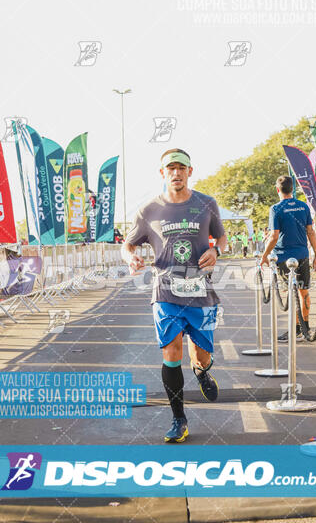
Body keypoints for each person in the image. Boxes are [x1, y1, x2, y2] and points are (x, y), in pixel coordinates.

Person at [122, 148, 227, 443]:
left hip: (200, 289)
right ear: (162, 173)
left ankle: (202, 369)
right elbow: (127, 245)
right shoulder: (148, 210)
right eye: (171, 168)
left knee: (201, 352)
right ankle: (178, 419)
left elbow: (222, 236)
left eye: (182, 168)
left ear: (190, 172)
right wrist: (130, 258)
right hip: (165, 290)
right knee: (171, 352)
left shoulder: (207, 204)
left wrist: (215, 249)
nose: (176, 173)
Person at [260, 175, 316, 342]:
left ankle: (297, 329)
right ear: (292, 189)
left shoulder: (276, 208)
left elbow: (273, 236)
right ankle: (304, 327)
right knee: (303, 291)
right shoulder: (303, 206)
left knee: (291, 291)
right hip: (302, 255)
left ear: (277, 190)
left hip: (284, 257)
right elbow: (311, 232)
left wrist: (264, 256)